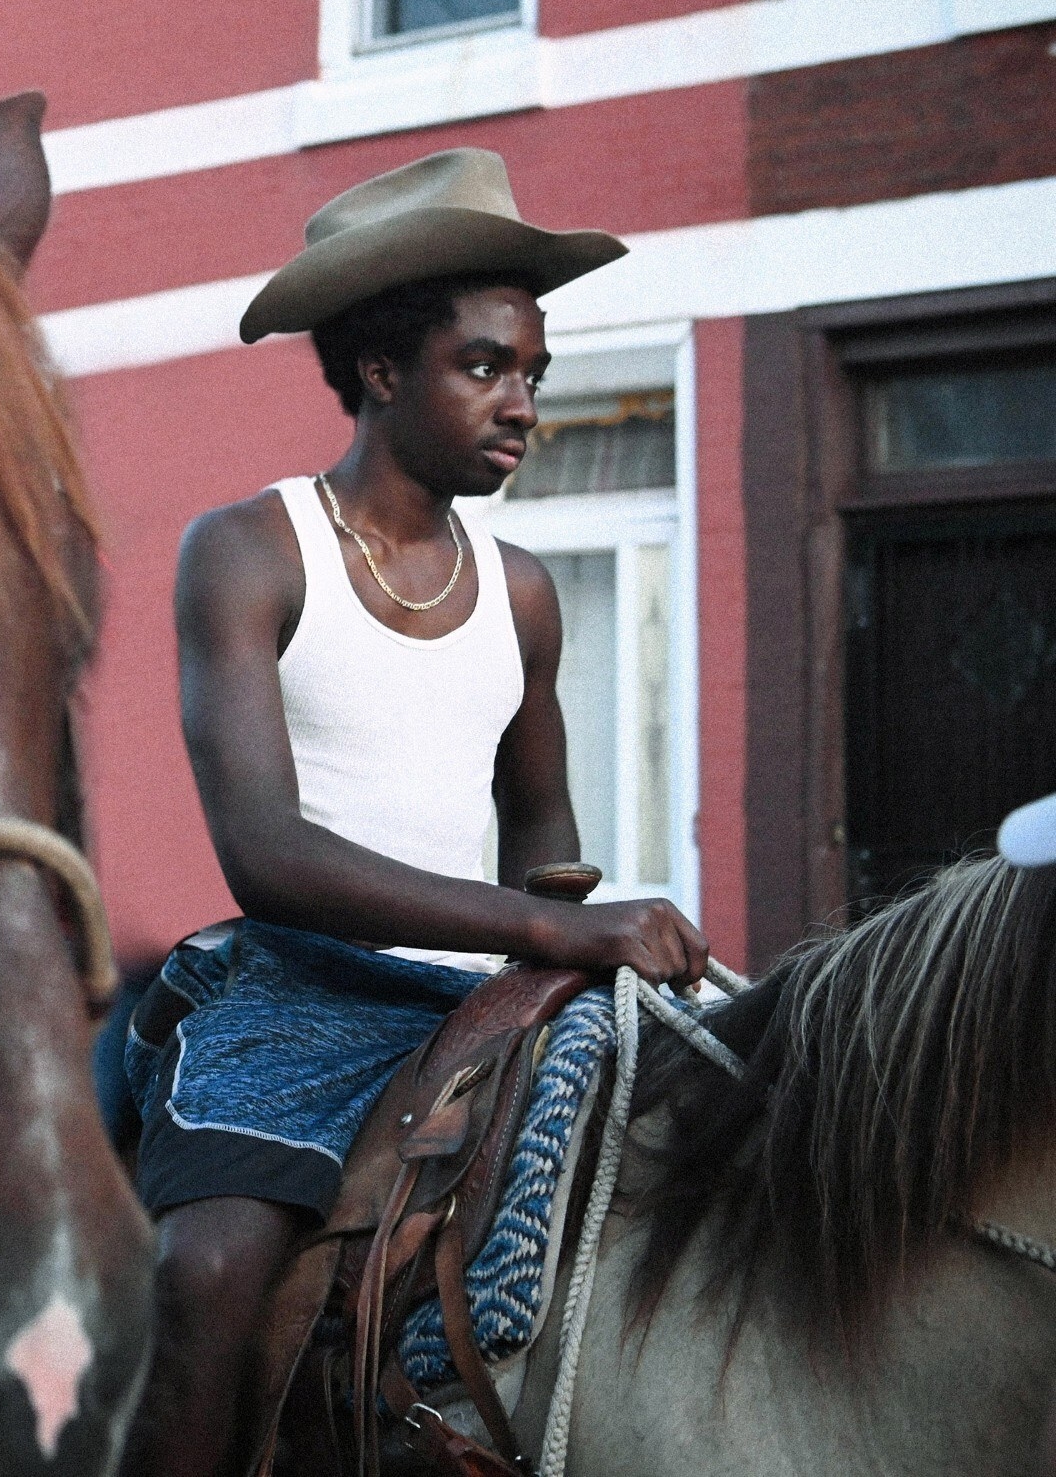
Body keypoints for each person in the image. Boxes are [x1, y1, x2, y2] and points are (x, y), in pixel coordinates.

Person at [118, 149, 710, 1477]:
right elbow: (265, 855)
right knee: (209, 1269)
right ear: (383, 368)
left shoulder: (527, 592)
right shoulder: (250, 548)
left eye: (533, 374)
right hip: (295, 996)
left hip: (485, 1017)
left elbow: (544, 849)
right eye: (486, 365)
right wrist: (564, 930)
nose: (523, 404)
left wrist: (574, 947)